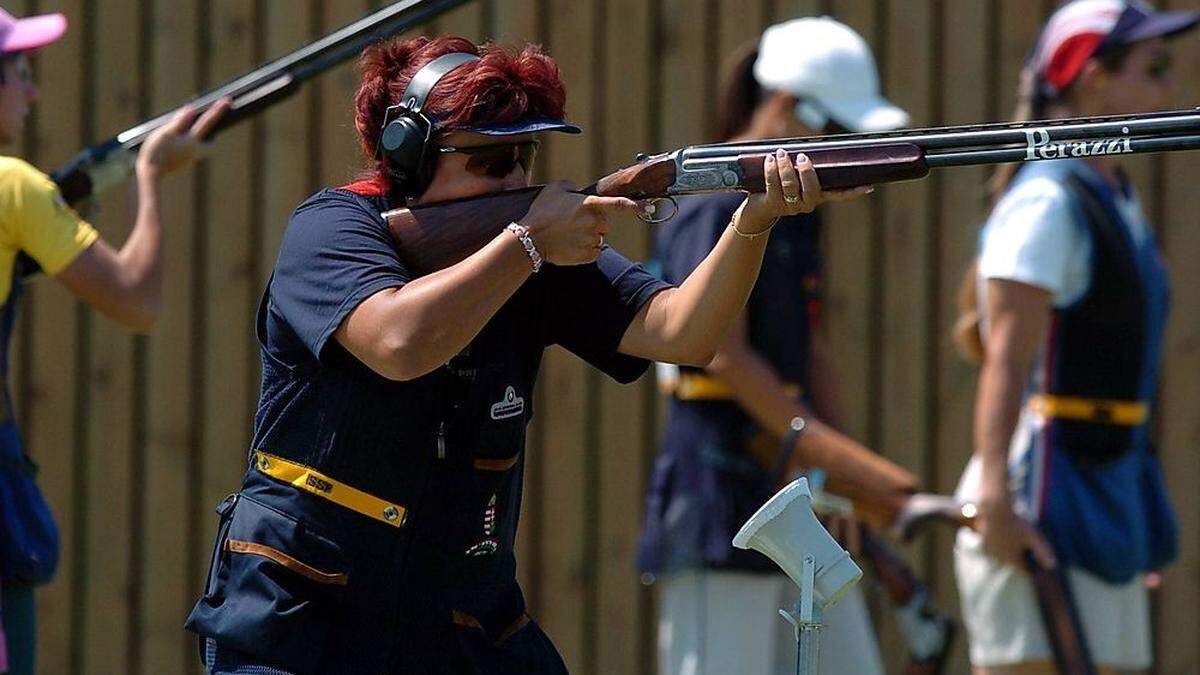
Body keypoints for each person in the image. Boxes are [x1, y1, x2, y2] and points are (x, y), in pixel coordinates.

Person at [183, 34, 870, 675]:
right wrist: (525, 243)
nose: (517, 180)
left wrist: (751, 219)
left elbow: (682, 331)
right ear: (410, 154)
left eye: (524, 159)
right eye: (491, 162)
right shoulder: (334, 228)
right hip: (303, 603)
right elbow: (398, 342)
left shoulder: (534, 248)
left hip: (457, 603)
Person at [636, 17, 927, 675]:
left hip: (798, 502)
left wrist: (841, 480)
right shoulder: (714, 202)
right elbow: (723, 354)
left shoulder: (797, 214)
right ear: (790, 109)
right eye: (841, 133)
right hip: (717, 505)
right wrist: (858, 471)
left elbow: (812, 350)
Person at [951, 1, 1197, 673]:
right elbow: (1006, 357)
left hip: (1100, 493)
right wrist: (996, 499)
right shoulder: (1049, 200)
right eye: (1155, 68)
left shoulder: (1111, 195)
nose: (1167, 89)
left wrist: (1134, 521)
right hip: (1039, 494)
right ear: (1093, 79)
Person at [0, 7, 228, 675]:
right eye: (17, 70)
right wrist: (152, 176)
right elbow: (137, 299)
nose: (33, 89)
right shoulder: (13, 186)